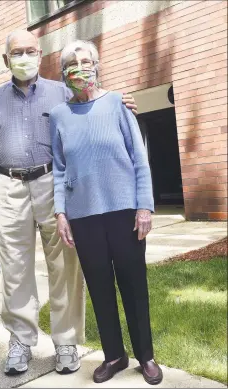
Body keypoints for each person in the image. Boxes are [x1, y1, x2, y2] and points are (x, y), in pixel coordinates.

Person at [0, 30, 138, 376]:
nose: (24, 57)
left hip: (54, 181)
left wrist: (122, 105)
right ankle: (20, 341)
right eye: (16, 52)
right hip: (7, 185)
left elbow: (94, 107)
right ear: (6, 59)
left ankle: (66, 342)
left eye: (30, 51)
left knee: (65, 264)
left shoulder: (62, 91)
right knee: (14, 268)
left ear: (40, 54)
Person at [51, 40, 162, 385]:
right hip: (83, 217)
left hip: (124, 212)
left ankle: (146, 355)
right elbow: (58, 169)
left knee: (133, 285)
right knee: (99, 287)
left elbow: (139, 159)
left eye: (86, 61)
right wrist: (60, 213)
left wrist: (144, 206)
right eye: (72, 63)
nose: (80, 68)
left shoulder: (117, 103)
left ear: (97, 66)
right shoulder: (58, 116)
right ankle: (114, 355)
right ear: (64, 72)